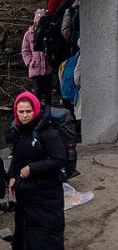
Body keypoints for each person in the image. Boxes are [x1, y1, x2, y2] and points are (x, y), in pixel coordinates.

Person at [6, 91, 67, 250]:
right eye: (21, 112)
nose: (25, 115)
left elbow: (59, 159)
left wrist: (31, 168)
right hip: (26, 197)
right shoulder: (19, 132)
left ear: (36, 110)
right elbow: (17, 157)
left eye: (28, 111)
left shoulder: (47, 132)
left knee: (45, 238)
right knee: (26, 236)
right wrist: (12, 176)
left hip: (46, 196)